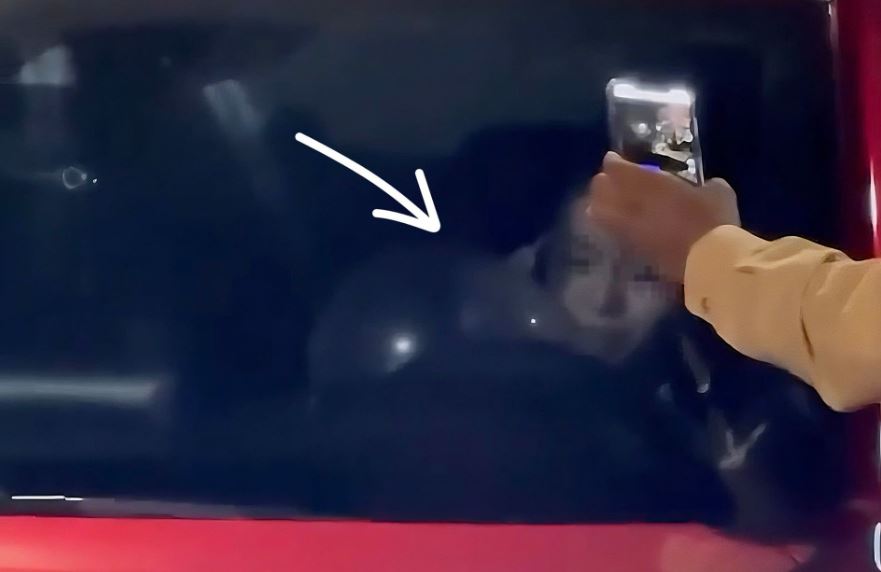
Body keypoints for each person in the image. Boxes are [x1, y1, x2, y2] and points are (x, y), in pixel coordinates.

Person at [587, 151, 881, 412]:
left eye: (644, 271)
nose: (610, 291)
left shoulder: (757, 407)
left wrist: (708, 250)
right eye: (583, 261)